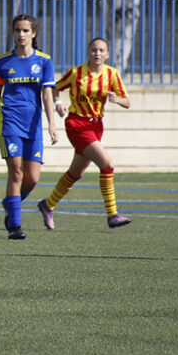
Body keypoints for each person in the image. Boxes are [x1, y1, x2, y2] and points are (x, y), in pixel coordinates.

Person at [37, 37, 132, 230]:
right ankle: (112, 214)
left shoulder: (112, 74)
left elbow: (127, 101)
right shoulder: (76, 73)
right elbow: (53, 87)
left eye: (101, 50)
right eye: (93, 50)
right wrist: (57, 104)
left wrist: (117, 99)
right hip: (77, 124)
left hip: (96, 126)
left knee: (76, 173)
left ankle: (47, 205)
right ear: (88, 53)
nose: (97, 54)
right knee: (107, 164)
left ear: (107, 54)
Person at [0, 14, 58, 239]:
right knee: (16, 173)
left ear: (33, 33)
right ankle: (14, 226)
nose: (21, 35)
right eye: (17, 30)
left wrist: (52, 125)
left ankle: (10, 203)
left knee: (32, 179)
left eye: (25, 31)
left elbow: (47, 94)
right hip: (10, 123)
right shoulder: (3, 61)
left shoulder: (44, 61)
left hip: (33, 126)